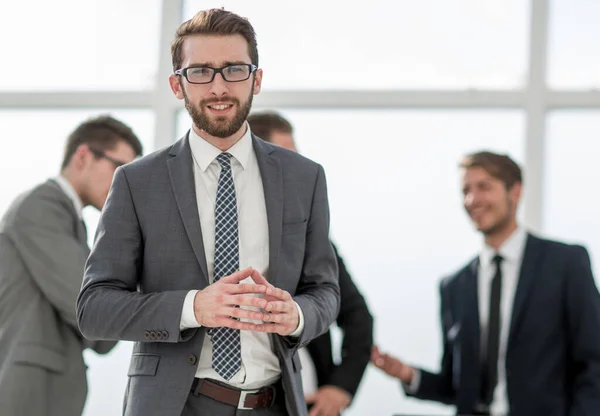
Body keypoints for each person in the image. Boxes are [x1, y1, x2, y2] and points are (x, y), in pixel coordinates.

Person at [76, 8, 340, 416]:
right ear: (177, 85)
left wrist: (298, 316)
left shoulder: (305, 178)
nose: (218, 87)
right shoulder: (136, 182)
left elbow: (326, 292)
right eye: (200, 71)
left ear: (257, 79)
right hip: (175, 406)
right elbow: (94, 309)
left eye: (233, 69)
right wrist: (193, 307)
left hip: (276, 404)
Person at [371, 151, 600, 416]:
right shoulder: (454, 286)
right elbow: (455, 387)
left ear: (514, 192)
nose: (472, 199)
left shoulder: (565, 264)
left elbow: (594, 361)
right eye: (465, 190)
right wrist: (408, 374)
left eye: (484, 187)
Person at [0, 115, 143, 416]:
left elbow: (104, 333)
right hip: (29, 393)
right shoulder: (41, 206)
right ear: (83, 156)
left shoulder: (70, 221)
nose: (126, 184)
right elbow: (93, 313)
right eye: (120, 168)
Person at [248, 110, 373, 416]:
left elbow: (358, 317)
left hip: (305, 402)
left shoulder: (311, 238)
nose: (297, 170)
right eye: (287, 158)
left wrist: (341, 388)